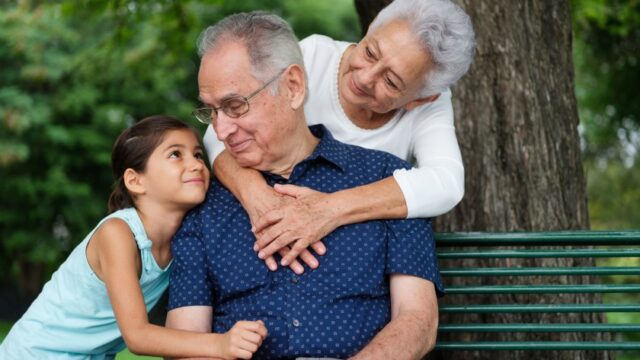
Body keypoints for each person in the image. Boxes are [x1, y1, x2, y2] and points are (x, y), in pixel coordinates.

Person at [166, 12, 444, 359]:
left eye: (235, 106)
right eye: (211, 112)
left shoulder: (390, 184)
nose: (221, 132)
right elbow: (183, 342)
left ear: (294, 87)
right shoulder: (203, 207)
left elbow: (418, 322)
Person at [202, 0, 476, 270]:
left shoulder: (430, 104)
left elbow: (446, 183)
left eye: (391, 82)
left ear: (419, 99)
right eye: (370, 52)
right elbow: (221, 132)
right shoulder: (311, 59)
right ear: (370, 29)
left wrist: (327, 209)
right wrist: (257, 197)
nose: (366, 77)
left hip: (358, 260)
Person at [0, 116, 267, 359]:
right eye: (175, 154)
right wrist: (221, 344)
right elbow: (137, 336)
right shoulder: (117, 234)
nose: (196, 164)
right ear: (135, 181)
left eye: (198, 154)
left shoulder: (186, 237)